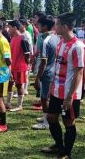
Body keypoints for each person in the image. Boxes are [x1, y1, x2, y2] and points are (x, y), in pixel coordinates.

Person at [41, 13, 84, 159]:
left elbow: (79, 73)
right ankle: (59, 145)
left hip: (69, 94)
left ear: (65, 27)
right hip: (56, 91)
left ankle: (66, 153)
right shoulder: (60, 42)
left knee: (68, 122)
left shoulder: (78, 46)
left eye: (57, 24)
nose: (55, 27)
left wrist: (70, 97)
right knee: (52, 118)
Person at [32, 15, 60, 130]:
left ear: (44, 26)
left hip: (47, 72)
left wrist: (38, 78)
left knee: (44, 98)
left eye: (38, 25)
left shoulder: (45, 40)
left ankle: (46, 122)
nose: (37, 27)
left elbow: (44, 61)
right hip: (55, 72)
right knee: (50, 97)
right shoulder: (57, 37)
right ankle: (47, 117)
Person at [6, 20, 31, 112]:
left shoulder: (23, 38)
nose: (8, 29)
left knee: (19, 86)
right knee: (9, 84)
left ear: (15, 28)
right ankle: (8, 103)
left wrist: (27, 65)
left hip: (20, 67)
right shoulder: (12, 38)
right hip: (12, 66)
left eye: (9, 27)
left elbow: (27, 54)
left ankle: (19, 105)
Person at [19, 19, 34, 95]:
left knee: (25, 74)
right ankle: (23, 89)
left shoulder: (26, 35)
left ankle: (24, 89)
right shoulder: (22, 34)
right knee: (24, 74)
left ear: (24, 25)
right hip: (23, 56)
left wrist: (29, 59)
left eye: (20, 24)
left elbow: (28, 49)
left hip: (27, 56)